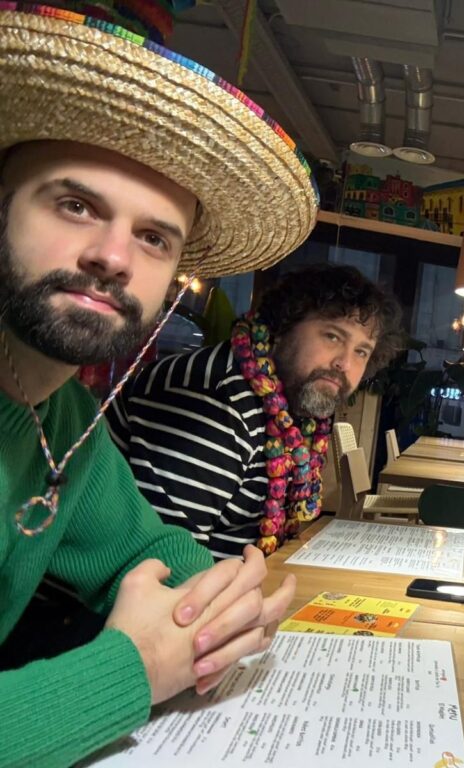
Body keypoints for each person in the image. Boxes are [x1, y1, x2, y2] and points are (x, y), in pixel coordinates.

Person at [0, 3, 320, 765]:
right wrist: (135, 670)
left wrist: (227, 602)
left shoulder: (63, 414)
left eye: (152, 237)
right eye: (76, 205)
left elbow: (148, 548)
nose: (114, 257)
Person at [107, 265, 404, 558]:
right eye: (333, 336)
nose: (345, 363)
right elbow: (163, 566)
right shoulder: (213, 399)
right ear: (283, 327)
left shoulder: (289, 405)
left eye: (361, 351)